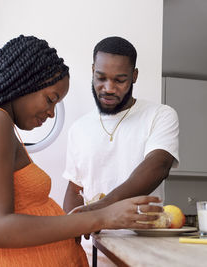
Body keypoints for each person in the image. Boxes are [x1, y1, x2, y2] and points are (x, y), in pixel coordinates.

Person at [0, 35, 163, 267]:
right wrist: (102, 217)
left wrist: (73, 220)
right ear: (23, 82)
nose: (51, 113)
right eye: (50, 99)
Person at [63, 36, 179, 215]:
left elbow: (159, 166)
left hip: (142, 239)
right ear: (93, 71)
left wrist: (100, 209)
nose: (108, 88)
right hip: (94, 239)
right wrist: (71, 229)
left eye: (119, 80)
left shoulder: (160, 115)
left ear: (134, 76)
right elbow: (75, 189)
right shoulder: (78, 128)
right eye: (101, 77)